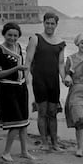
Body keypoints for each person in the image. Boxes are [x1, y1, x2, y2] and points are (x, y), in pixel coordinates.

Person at [0, 22, 36, 161]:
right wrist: (15, 69)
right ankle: (6, 152)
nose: (12, 38)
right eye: (9, 35)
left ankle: (24, 151)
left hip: (21, 88)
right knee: (15, 123)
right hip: (7, 90)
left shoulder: (18, 46)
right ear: (4, 34)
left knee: (24, 122)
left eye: (15, 35)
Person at [25, 12, 66, 151]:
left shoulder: (60, 42)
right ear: (43, 23)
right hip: (39, 81)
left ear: (56, 25)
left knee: (53, 112)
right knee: (42, 112)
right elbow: (29, 60)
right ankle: (44, 142)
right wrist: (26, 77)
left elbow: (61, 64)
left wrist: (64, 77)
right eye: (47, 23)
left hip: (53, 81)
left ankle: (54, 143)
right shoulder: (36, 39)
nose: (49, 25)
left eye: (52, 23)